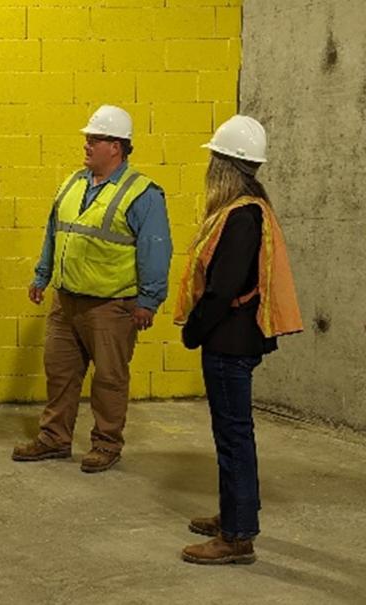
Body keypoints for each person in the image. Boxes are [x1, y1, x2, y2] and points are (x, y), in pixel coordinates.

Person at [11, 105, 173, 473]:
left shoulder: (143, 195)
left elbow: (156, 249)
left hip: (112, 307)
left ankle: (106, 443)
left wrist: (148, 301)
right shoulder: (73, 183)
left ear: (116, 146)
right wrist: (42, 276)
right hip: (66, 301)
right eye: (88, 138)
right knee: (61, 374)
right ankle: (54, 439)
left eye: (95, 139)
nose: (87, 144)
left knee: (109, 379)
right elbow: (55, 232)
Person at [175, 115, 302, 564]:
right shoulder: (249, 211)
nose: (209, 169)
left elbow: (222, 288)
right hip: (236, 339)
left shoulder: (240, 217)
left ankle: (237, 535)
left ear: (226, 168)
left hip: (229, 343)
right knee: (232, 434)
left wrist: (193, 331)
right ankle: (235, 516)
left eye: (214, 161)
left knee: (233, 437)